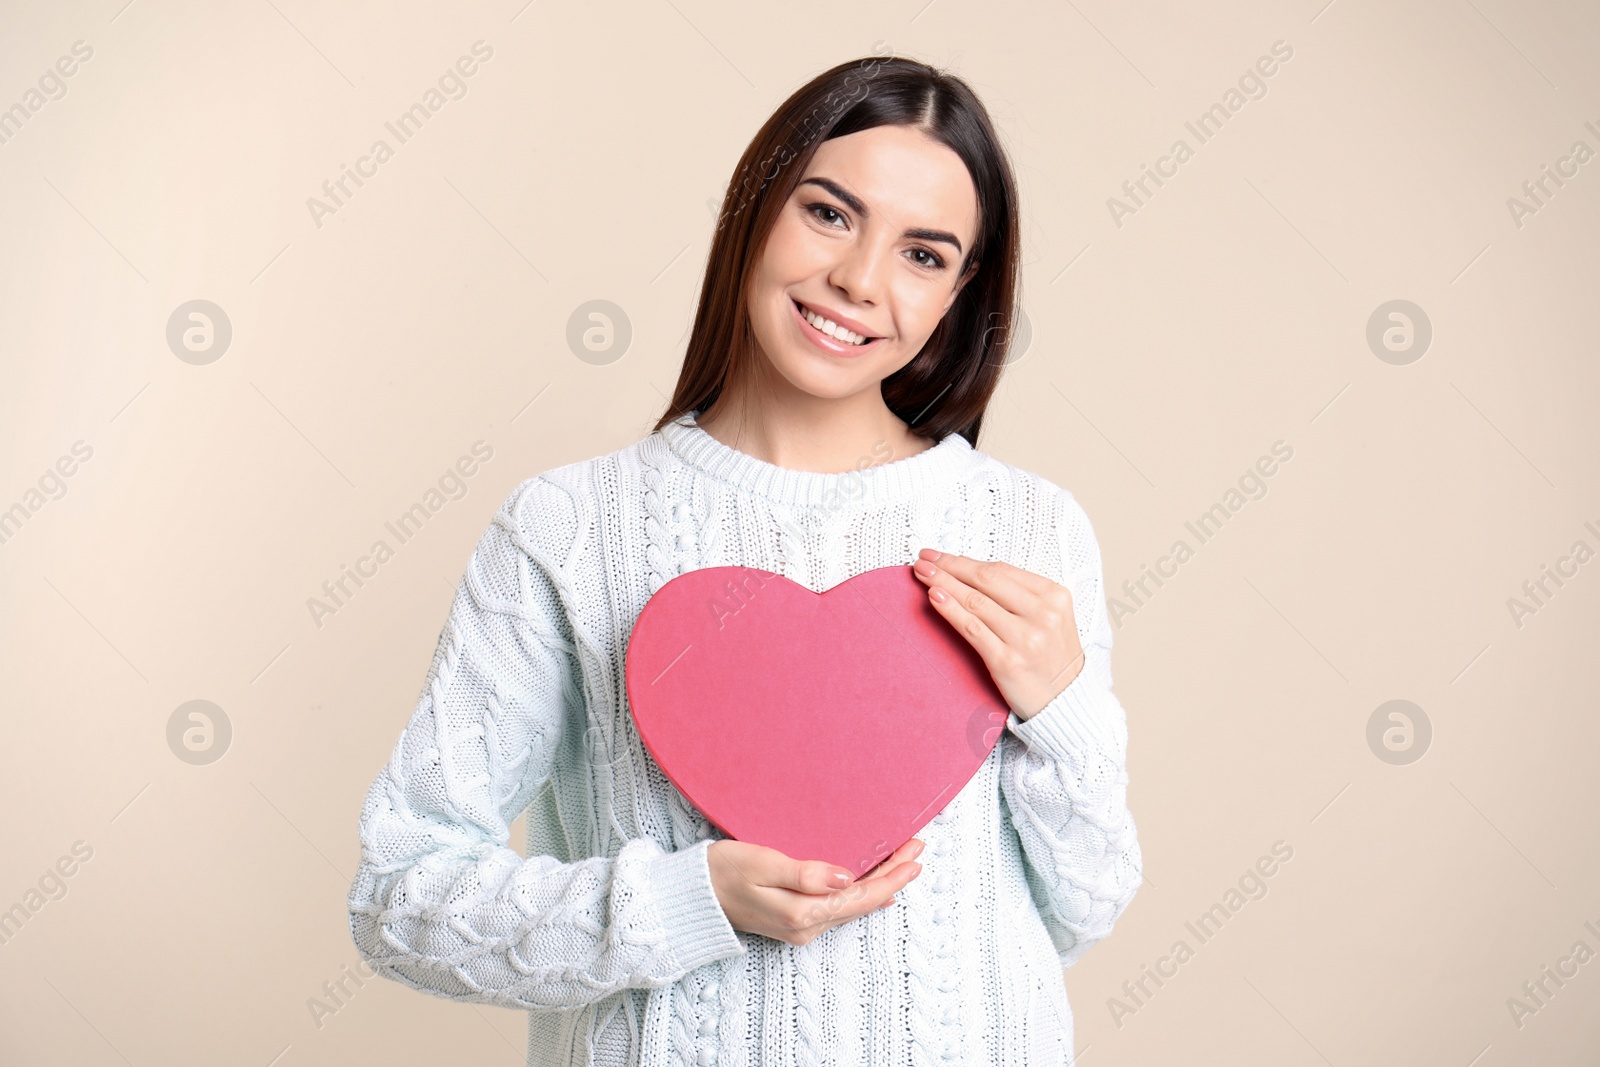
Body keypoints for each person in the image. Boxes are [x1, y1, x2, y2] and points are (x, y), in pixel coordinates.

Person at [347, 52, 1142, 1067]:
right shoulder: (566, 528)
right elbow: (399, 897)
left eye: (925, 254)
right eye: (828, 213)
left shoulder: (1029, 529)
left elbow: (1085, 907)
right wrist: (687, 900)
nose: (859, 280)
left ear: (961, 292)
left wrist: (1062, 711)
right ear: (756, 207)